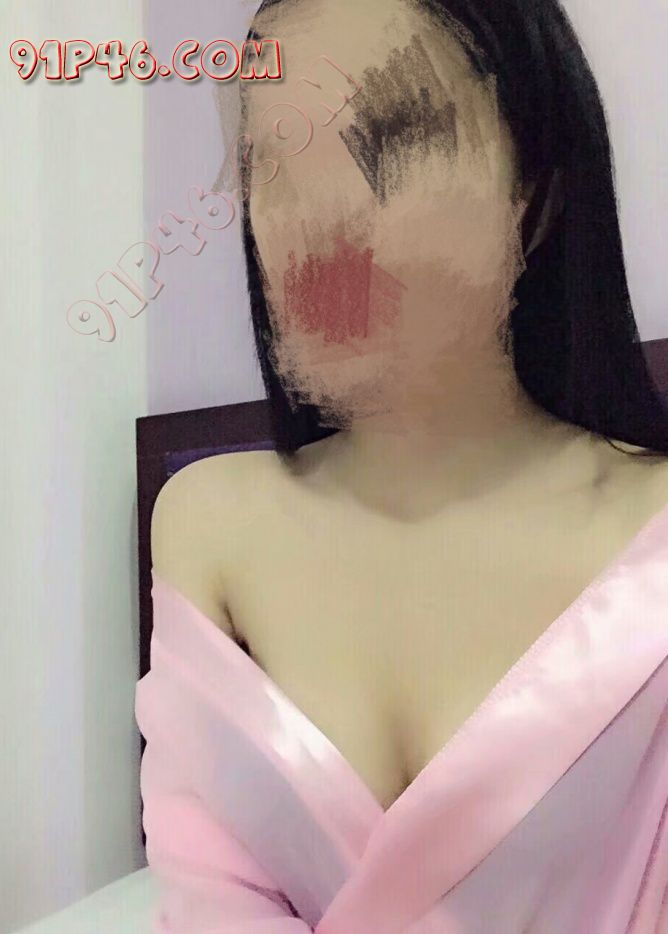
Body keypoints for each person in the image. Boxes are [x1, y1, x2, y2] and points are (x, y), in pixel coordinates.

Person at [135, 0, 668, 930]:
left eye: (391, 138)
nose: (322, 216)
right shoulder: (208, 524)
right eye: (275, 161)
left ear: (537, 194)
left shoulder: (650, 537)